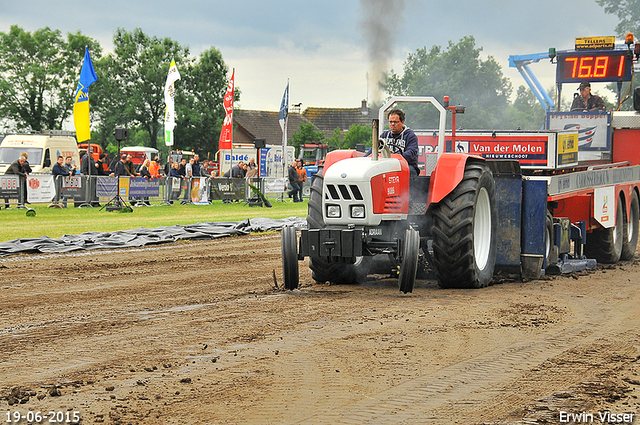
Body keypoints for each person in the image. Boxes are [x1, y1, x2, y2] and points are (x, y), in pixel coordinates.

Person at [375, 108, 420, 180]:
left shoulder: (410, 136)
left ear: (402, 122)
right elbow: (373, 149)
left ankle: (407, 191)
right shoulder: (384, 135)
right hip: (387, 165)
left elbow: (411, 153)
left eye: (395, 122)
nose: (392, 124)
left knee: (407, 171)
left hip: (406, 166)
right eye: (390, 122)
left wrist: (394, 156)